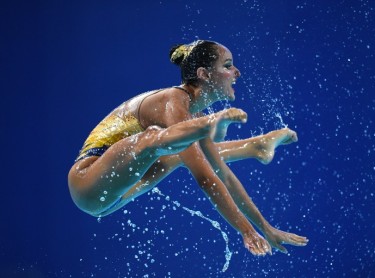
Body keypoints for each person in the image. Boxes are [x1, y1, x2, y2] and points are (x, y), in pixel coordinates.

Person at [68, 40, 308, 256]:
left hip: (116, 196)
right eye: (227, 66)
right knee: (154, 140)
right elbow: (204, 179)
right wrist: (245, 230)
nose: (237, 72)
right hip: (88, 182)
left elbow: (221, 175)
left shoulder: (189, 116)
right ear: (203, 74)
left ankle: (255, 146)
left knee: (177, 152)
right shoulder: (173, 101)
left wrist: (265, 228)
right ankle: (219, 130)